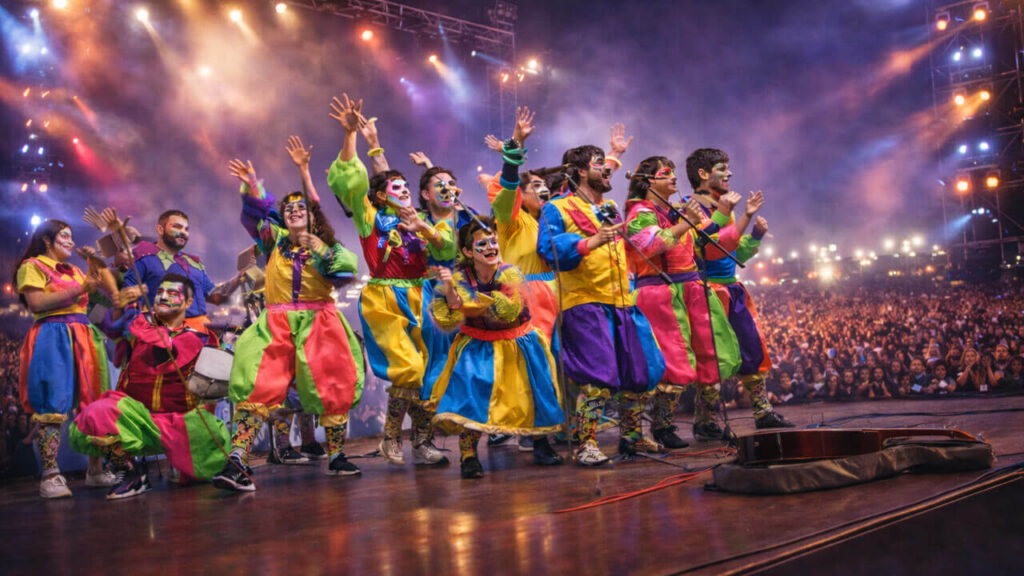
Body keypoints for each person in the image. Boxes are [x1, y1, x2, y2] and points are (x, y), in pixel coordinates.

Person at [212, 156, 365, 492]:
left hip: (320, 322)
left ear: (313, 217)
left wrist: (321, 248)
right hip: (277, 322)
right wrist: (253, 185)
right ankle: (237, 458)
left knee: (333, 385)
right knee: (259, 383)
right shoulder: (273, 239)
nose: (295, 209)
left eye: (302, 207)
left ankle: (336, 456)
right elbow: (255, 216)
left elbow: (343, 270)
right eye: (289, 206)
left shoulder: (327, 246)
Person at [326, 94, 450, 467]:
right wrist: (356, 138)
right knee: (408, 369)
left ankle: (424, 442)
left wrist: (424, 228)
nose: (404, 189)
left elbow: (445, 247)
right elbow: (356, 178)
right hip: (386, 298)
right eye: (395, 189)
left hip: (422, 297)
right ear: (380, 197)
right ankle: (392, 436)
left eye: (406, 187)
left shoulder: (419, 219)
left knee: (427, 374)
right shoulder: (370, 218)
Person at [537, 143, 665, 465]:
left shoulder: (608, 207)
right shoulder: (557, 207)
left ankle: (632, 437)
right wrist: (587, 242)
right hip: (585, 302)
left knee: (640, 371)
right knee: (597, 378)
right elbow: (547, 248)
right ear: (581, 171)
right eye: (599, 164)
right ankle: (586, 444)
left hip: (622, 299)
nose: (607, 169)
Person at [69, 274, 230, 499]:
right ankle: (129, 472)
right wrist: (114, 296)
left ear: (188, 303)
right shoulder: (137, 328)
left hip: (181, 424)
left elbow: (215, 390)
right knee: (96, 414)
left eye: (173, 294)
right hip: (138, 420)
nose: (163, 297)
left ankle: (185, 466)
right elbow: (104, 320)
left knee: (215, 435)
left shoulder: (202, 340)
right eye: (160, 292)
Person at [430, 217, 564, 478]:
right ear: (468, 252)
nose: (491, 246)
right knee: (471, 396)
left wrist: (473, 300)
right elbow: (447, 316)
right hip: (478, 344)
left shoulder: (510, 273)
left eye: (493, 241)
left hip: (518, 342)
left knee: (533, 394)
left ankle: (541, 444)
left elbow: (508, 310)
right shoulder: (459, 278)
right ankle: (468, 455)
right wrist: (448, 291)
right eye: (482, 244)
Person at [623, 155, 742, 450]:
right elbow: (651, 245)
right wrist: (685, 222)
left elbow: (707, 243)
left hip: (691, 288)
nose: (675, 178)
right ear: (649, 182)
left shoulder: (678, 210)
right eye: (667, 173)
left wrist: (727, 215)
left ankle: (704, 422)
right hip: (660, 292)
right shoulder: (640, 212)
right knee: (671, 362)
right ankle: (659, 427)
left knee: (711, 355)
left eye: (675, 173)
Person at [685, 148, 793, 438]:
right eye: (722, 168)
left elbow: (733, 252)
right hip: (707, 292)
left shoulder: (723, 206)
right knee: (714, 357)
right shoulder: (689, 206)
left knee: (753, 348)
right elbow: (711, 246)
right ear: (703, 174)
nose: (729, 174)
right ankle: (705, 420)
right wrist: (742, 215)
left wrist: (755, 234)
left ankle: (762, 411)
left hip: (733, 288)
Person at [13, 220, 116, 498]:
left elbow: (108, 293)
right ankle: (51, 475)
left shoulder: (74, 269)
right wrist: (80, 289)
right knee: (52, 404)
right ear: (47, 240)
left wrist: (94, 263)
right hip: (53, 334)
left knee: (95, 402)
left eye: (71, 237)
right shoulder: (33, 265)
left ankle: (95, 469)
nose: (71, 241)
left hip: (84, 335)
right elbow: (36, 304)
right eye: (65, 236)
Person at [123, 209, 241, 345]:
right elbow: (129, 299)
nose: (183, 232)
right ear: (160, 229)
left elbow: (215, 297)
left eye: (186, 229)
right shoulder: (144, 257)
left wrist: (240, 278)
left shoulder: (194, 263)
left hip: (200, 339)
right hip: (163, 342)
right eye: (177, 227)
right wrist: (145, 333)